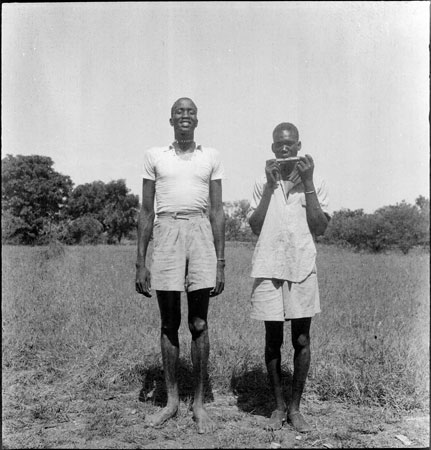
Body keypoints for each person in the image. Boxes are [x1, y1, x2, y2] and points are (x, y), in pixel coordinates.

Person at [135, 97, 225, 434]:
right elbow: (146, 211)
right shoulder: (155, 156)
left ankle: (199, 403)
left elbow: (217, 211)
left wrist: (220, 261)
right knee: (168, 321)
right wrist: (140, 262)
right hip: (167, 230)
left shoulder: (210, 157)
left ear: (197, 120)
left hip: (200, 232)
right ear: (171, 119)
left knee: (199, 323)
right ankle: (172, 401)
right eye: (179, 112)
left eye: (190, 112)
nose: (184, 116)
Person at [248, 122, 330, 433]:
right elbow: (255, 226)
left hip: (301, 265)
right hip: (269, 265)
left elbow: (320, 227)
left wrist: (308, 181)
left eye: (290, 144)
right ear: (273, 148)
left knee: (301, 338)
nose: (284, 149)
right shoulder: (262, 182)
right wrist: (269, 188)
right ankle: (278, 405)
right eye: (279, 144)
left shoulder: (315, 180)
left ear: (298, 146)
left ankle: (295, 408)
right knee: (272, 340)